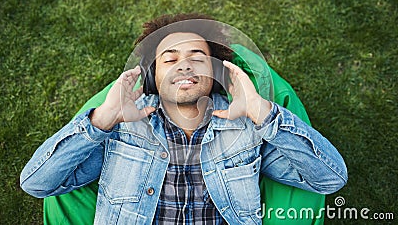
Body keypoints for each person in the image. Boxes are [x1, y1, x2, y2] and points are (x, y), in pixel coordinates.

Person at [20, 13, 347, 225]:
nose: (184, 65)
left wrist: (262, 112)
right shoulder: (122, 130)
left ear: (216, 71)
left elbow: (328, 180)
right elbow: (37, 184)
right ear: (151, 78)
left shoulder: (246, 130)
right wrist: (102, 120)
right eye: (170, 59)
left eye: (197, 57)